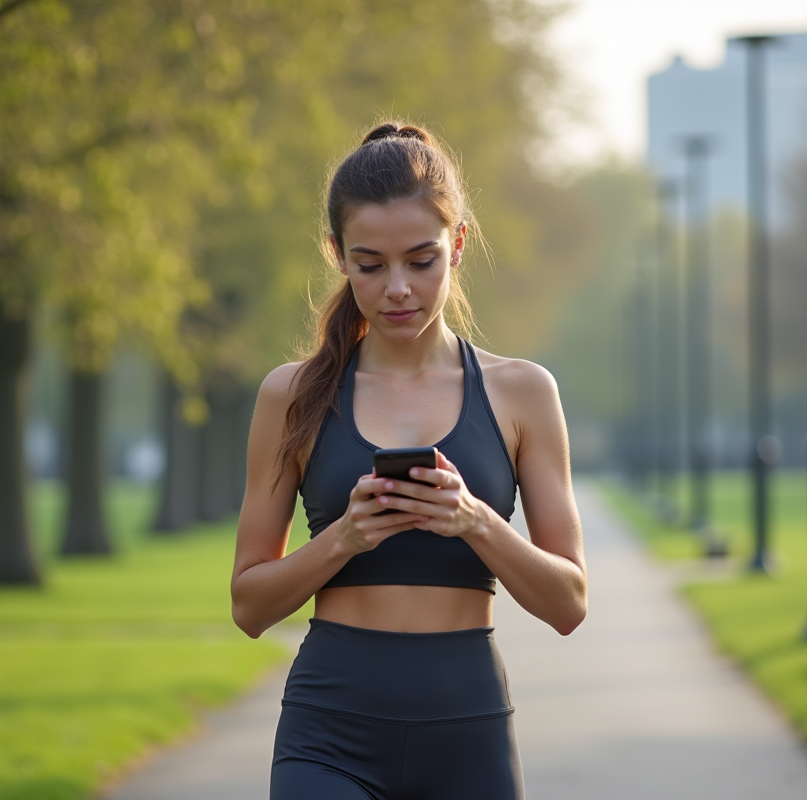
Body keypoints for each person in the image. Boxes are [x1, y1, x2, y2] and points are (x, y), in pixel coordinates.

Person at [231, 121, 587, 800]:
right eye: (370, 264)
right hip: (327, 733)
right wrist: (344, 538)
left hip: (468, 731)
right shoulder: (292, 396)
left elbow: (568, 602)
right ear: (337, 255)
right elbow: (249, 605)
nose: (397, 288)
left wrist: (474, 521)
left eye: (420, 261)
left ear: (456, 246)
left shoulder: (523, 392)